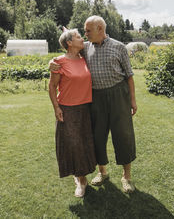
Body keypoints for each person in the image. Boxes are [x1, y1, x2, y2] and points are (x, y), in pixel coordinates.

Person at [50, 16, 137, 193]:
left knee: (123, 135)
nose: (85, 33)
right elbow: (68, 53)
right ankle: (102, 172)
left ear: (100, 29)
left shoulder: (119, 47)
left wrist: (132, 100)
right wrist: (52, 62)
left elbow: (129, 75)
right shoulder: (85, 48)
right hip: (96, 97)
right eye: (84, 31)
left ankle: (126, 177)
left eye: (88, 30)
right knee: (97, 137)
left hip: (118, 94)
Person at [48, 28, 97, 198]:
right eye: (77, 36)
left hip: (85, 108)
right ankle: (81, 181)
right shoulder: (59, 62)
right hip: (68, 109)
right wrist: (56, 107)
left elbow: (99, 39)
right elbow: (52, 87)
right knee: (74, 145)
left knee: (85, 144)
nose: (82, 38)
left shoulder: (84, 58)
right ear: (69, 43)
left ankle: (81, 175)